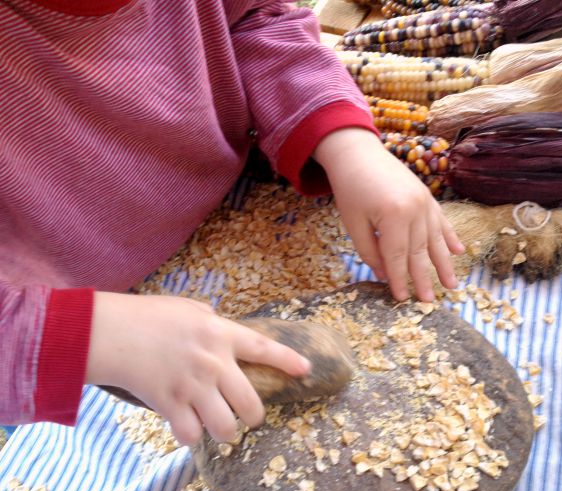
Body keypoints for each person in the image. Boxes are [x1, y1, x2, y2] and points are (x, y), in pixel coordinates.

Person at [0, 0, 464, 447]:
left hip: (226, 198)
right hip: (69, 314)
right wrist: (86, 338)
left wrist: (346, 143)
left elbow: (256, 20)